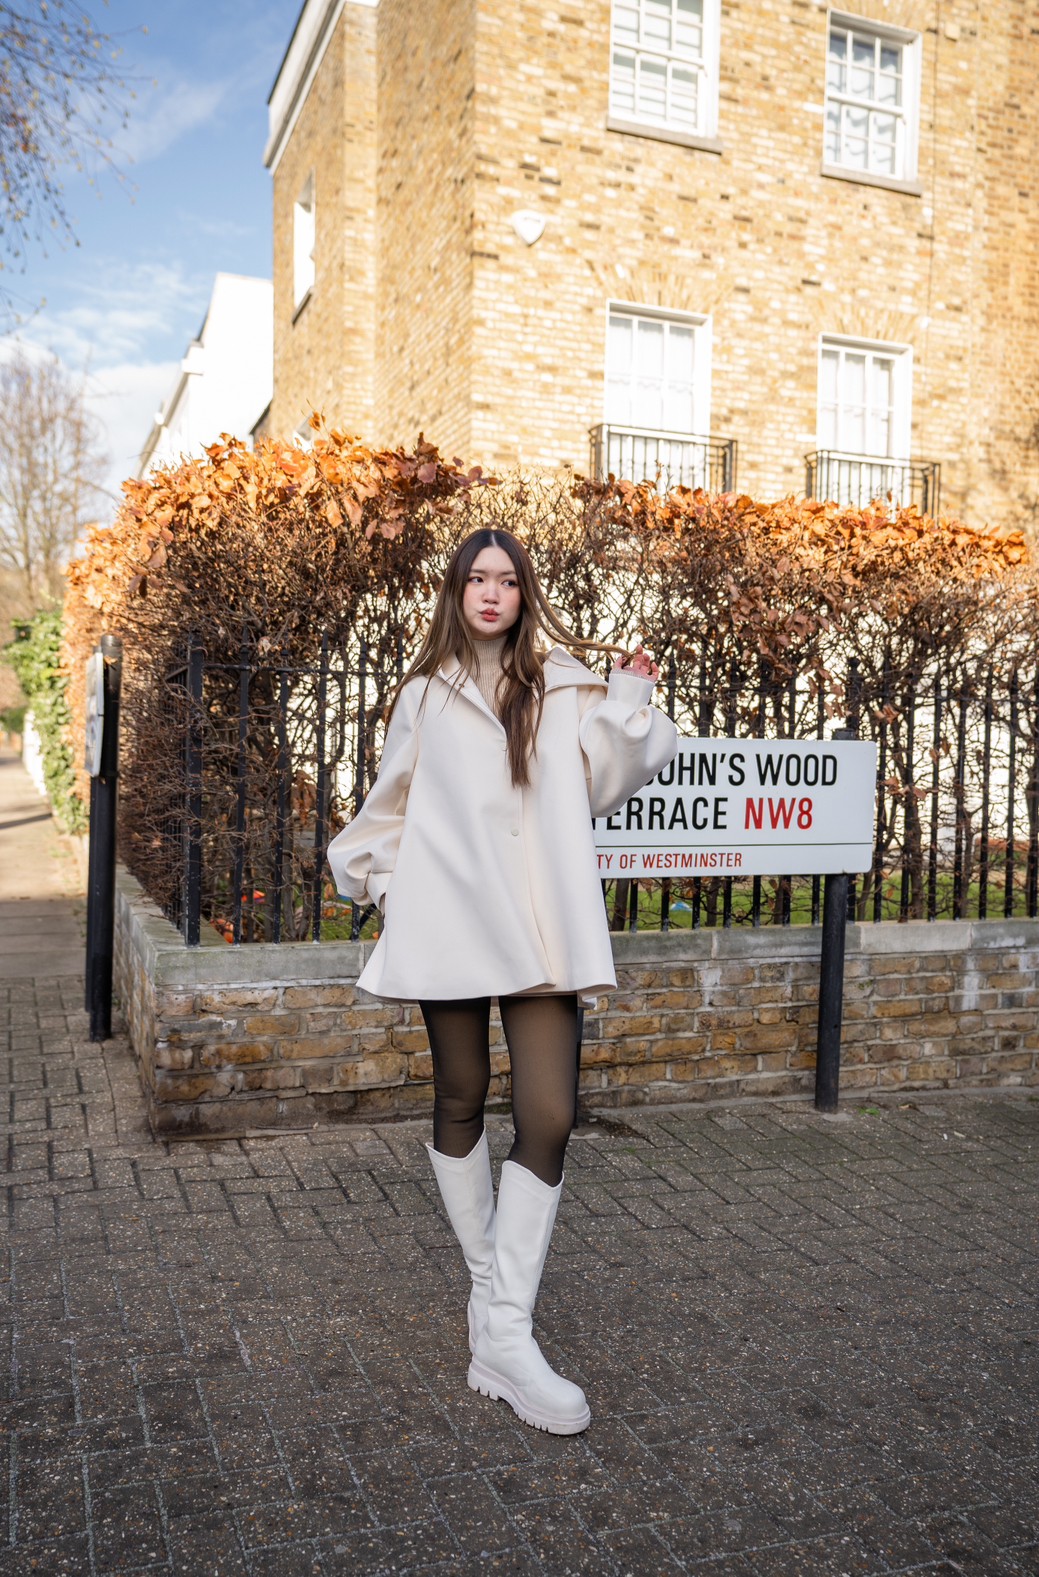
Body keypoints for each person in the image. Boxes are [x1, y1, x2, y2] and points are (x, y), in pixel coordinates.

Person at [326, 529, 678, 1435]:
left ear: (525, 594)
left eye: (507, 580)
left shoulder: (559, 684)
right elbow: (386, 810)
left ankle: (504, 1326)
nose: (491, 593)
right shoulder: (423, 694)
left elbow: (604, 782)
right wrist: (391, 887)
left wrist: (628, 698)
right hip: (449, 920)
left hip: (538, 924)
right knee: (460, 1092)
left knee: (549, 1114)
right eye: (476, 579)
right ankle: (494, 1302)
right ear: (456, 591)